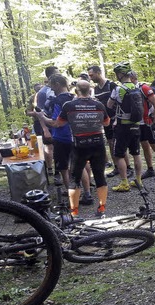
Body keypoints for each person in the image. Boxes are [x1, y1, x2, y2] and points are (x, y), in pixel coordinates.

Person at [40, 80, 109, 217]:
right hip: (98, 144)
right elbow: (107, 123)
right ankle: (101, 209)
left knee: (74, 179)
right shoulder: (99, 104)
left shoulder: (69, 105)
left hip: (80, 145)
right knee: (100, 176)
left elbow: (57, 124)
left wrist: (42, 117)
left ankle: (74, 211)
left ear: (76, 91)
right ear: (89, 90)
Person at [87, 65, 130, 178]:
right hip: (105, 120)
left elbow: (121, 102)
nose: (90, 78)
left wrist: (117, 118)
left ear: (98, 73)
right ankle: (117, 167)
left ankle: (128, 167)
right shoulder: (96, 89)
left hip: (116, 119)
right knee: (111, 143)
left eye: (92, 75)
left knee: (119, 144)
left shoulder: (111, 85)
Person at [107, 61, 143, 192]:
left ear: (121, 74)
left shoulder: (118, 89)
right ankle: (138, 180)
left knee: (120, 154)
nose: (116, 76)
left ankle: (124, 183)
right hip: (136, 125)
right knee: (136, 153)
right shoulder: (136, 87)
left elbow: (109, 105)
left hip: (123, 126)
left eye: (117, 73)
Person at [37, 74, 75, 192]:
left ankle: (70, 191)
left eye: (51, 86)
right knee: (79, 165)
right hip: (76, 136)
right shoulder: (75, 98)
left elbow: (56, 123)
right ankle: (86, 192)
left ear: (57, 85)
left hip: (62, 137)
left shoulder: (58, 101)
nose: (51, 89)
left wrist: (42, 117)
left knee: (63, 167)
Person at [129, 71, 155, 182]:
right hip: (139, 123)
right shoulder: (130, 89)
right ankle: (150, 169)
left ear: (132, 78)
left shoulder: (144, 88)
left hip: (148, 122)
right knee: (145, 146)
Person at [36, 66, 60, 179]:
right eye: (56, 73)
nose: (59, 75)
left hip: (59, 122)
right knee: (49, 146)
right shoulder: (42, 92)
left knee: (59, 147)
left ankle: (58, 171)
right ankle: (49, 168)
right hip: (48, 123)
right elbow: (39, 112)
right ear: (50, 76)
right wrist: (45, 129)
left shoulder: (60, 88)